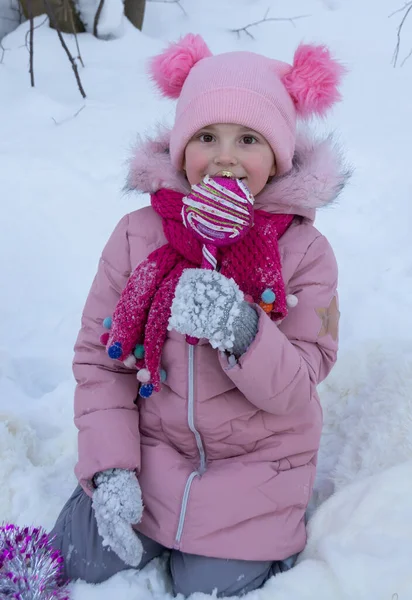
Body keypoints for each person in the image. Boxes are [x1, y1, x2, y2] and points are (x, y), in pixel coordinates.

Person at [50, 34, 349, 596]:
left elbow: (299, 384)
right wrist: (111, 467)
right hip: (150, 458)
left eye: (249, 138)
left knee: (210, 586)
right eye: (206, 136)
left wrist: (242, 328)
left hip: (256, 474)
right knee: (77, 564)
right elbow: (101, 361)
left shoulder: (307, 253)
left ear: (279, 155)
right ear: (180, 148)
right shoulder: (139, 236)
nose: (226, 155)